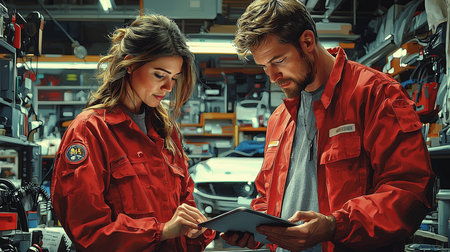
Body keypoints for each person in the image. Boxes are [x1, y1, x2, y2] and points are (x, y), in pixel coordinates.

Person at [221, 0, 435, 251]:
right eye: (264, 66)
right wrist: (254, 228)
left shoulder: (374, 94)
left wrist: (335, 225)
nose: (272, 76)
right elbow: (268, 196)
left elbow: (409, 191)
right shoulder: (280, 117)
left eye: (278, 60)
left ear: (307, 42)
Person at [51, 15, 215, 251]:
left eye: (174, 78)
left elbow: (185, 207)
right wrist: (163, 231)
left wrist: (196, 229)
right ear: (130, 64)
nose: (168, 88)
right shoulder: (90, 131)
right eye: (160, 75)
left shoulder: (165, 133)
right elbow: (87, 230)